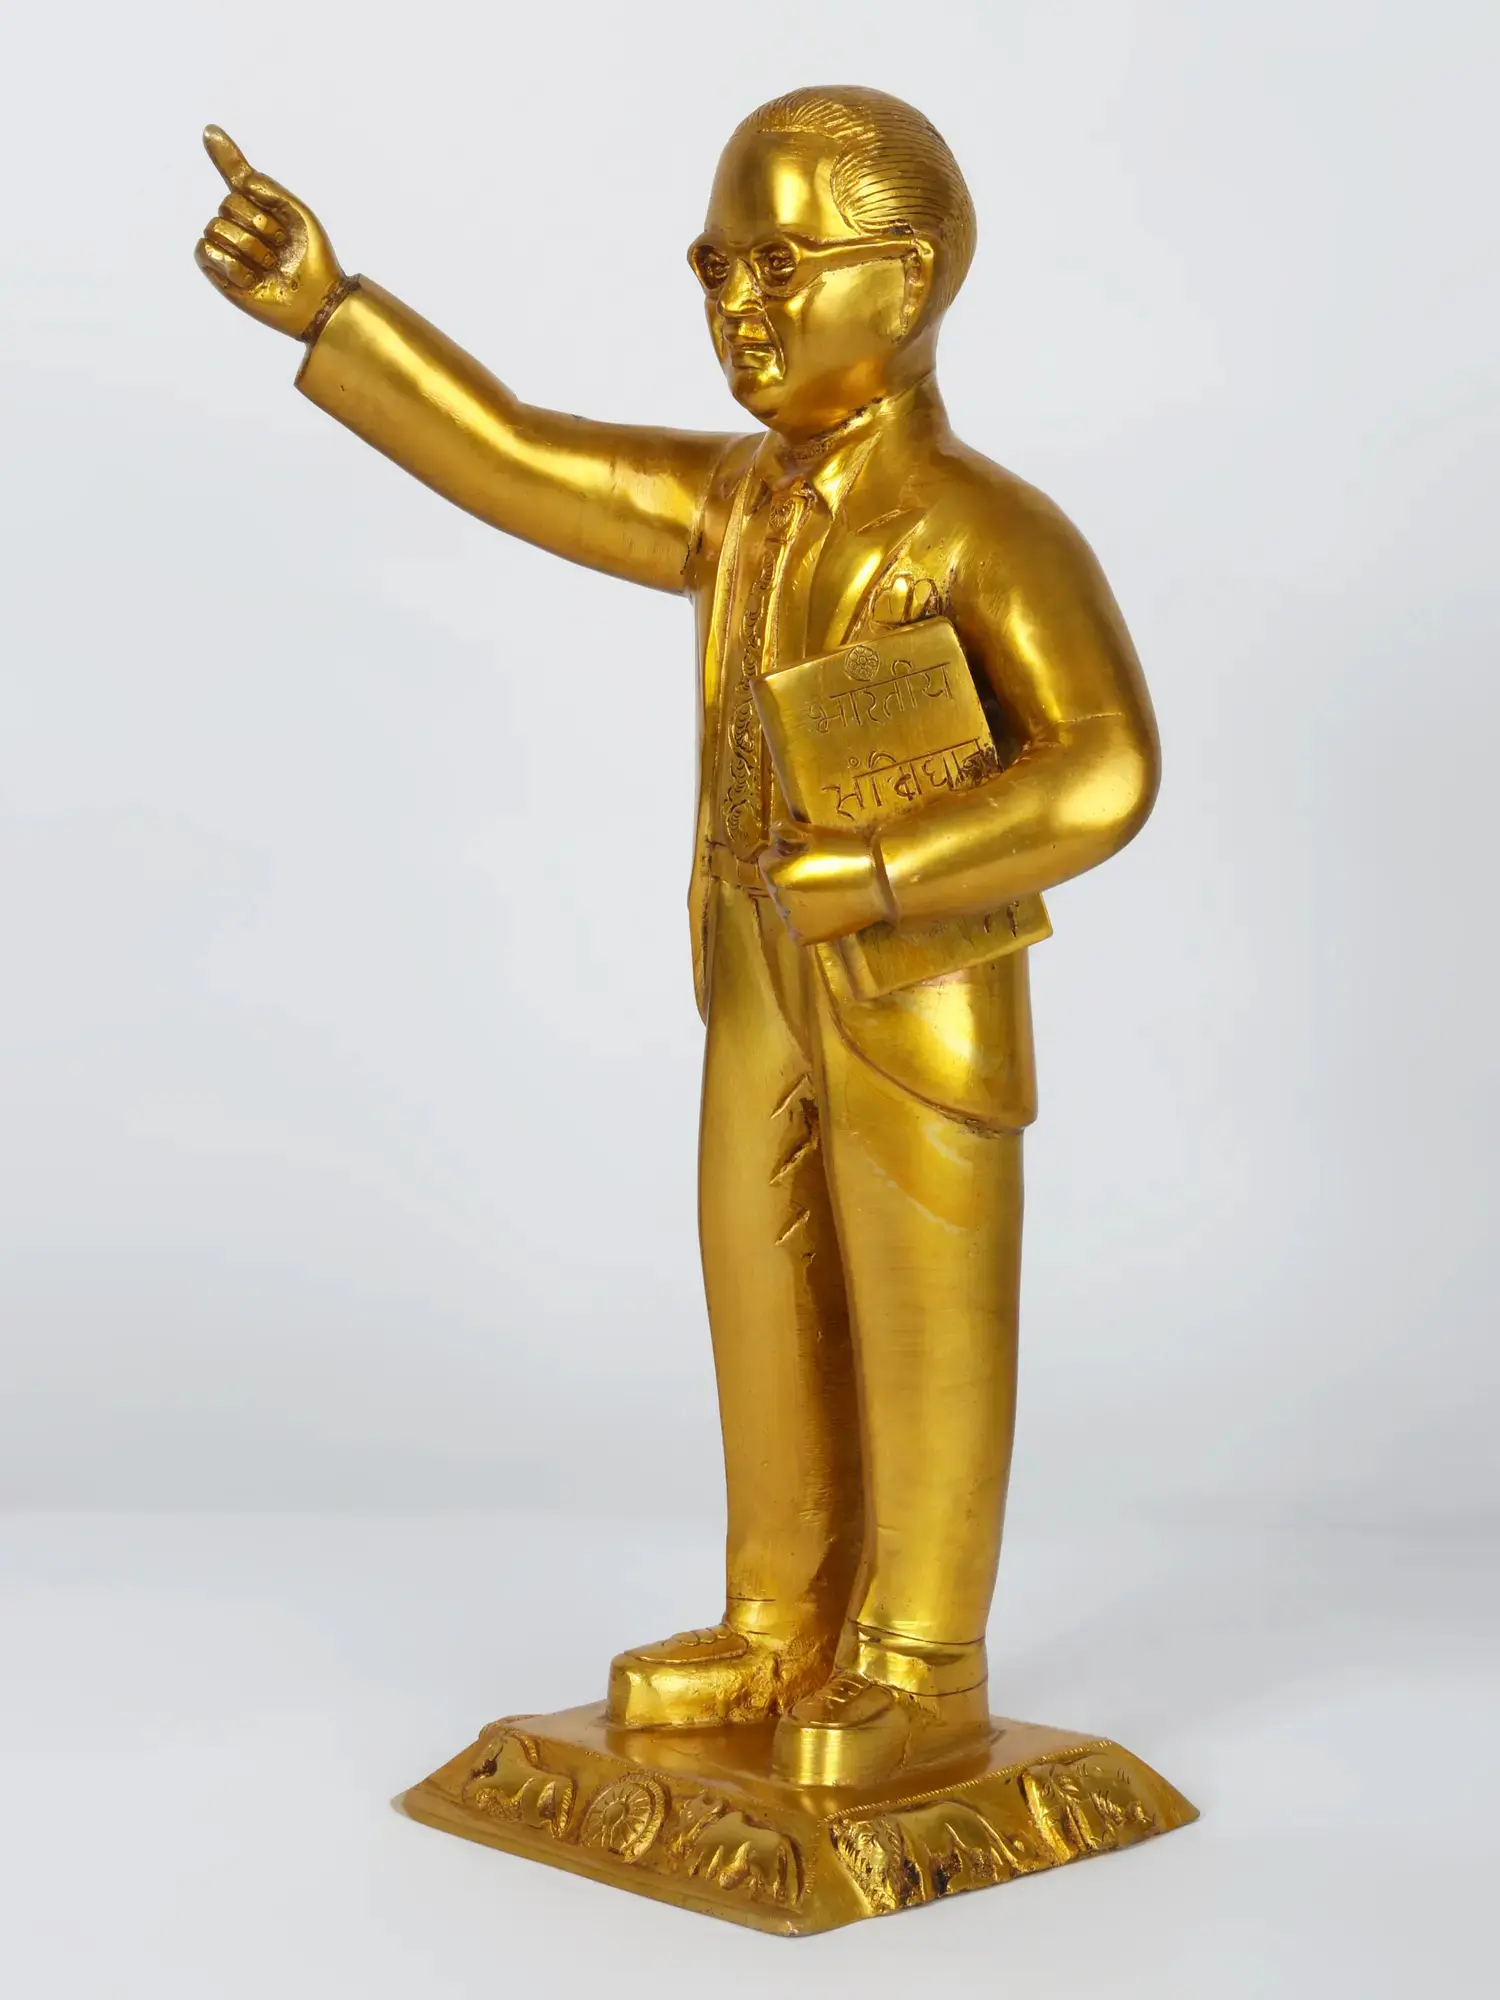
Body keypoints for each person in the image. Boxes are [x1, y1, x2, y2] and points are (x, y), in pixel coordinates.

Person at [196, 85, 1160, 1789]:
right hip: (754, 973)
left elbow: (1107, 765)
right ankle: (778, 1620)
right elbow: (519, 457)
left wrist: (888, 870)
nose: (741, 306)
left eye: (784, 265)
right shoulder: (733, 500)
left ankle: (921, 1662)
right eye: (717, 267)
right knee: (761, 1285)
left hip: (915, 985)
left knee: (921, 1304)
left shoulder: (985, 530)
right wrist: (331, 312)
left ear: (911, 277)